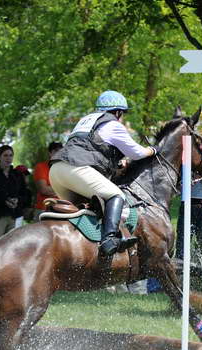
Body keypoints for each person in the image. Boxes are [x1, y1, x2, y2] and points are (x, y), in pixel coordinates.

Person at [49, 90, 156, 257]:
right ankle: (109, 240)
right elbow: (137, 153)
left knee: (88, 212)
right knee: (116, 195)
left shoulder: (85, 121)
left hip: (56, 170)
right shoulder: (113, 124)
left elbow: (90, 148)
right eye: (122, 114)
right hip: (75, 169)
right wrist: (152, 150)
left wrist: (115, 163)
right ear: (118, 112)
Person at [33, 141, 63, 221]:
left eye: (61, 151)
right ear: (50, 153)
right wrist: (63, 189)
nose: (59, 153)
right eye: (56, 151)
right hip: (44, 209)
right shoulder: (40, 167)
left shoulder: (64, 169)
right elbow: (44, 189)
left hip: (62, 209)